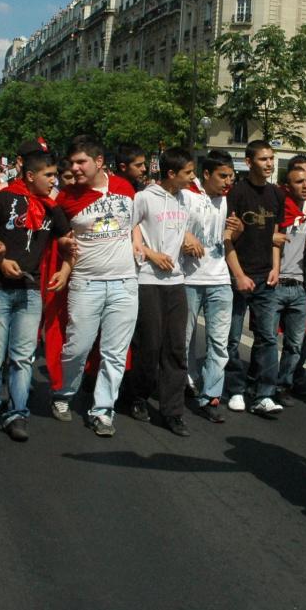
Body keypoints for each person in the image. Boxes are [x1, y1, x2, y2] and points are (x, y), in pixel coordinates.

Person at [0, 149, 70, 442]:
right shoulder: (4, 200)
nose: (54, 181)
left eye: (55, 176)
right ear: (30, 176)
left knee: (22, 357)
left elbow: (67, 244)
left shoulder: (53, 209)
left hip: (29, 290)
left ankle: (17, 411)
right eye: (48, 176)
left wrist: (65, 270)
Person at [53, 135, 139, 437]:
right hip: (86, 283)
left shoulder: (125, 188)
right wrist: (63, 242)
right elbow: (57, 236)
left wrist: (141, 246)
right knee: (78, 347)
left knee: (114, 352)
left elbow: (135, 225)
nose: (74, 168)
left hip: (125, 284)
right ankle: (64, 393)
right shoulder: (65, 198)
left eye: (81, 162)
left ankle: (103, 410)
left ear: (98, 162)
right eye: (72, 163)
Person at [125, 147, 197, 436]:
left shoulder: (186, 200)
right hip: (147, 280)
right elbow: (128, 232)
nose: (192, 178)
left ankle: (173, 411)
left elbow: (182, 232)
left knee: (176, 348)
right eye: (187, 173)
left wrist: (188, 240)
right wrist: (150, 254)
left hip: (175, 281)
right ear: (170, 173)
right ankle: (138, 396)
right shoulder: (144, 198)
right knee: (150, 345)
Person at [224, 140, 285, 417]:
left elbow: (275, 235)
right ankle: (235, 389)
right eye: (263, 159)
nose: (269, 164)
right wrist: (238, 275)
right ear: (249, 162)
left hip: (265, 277)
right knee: (232, 338)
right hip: (238, 277)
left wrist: (276, 267)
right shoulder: (236, 193)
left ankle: (264, 393)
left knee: (268, 338)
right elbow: (227, 241)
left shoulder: (276, 193)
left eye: (271, 158)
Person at [181, 151, 241, 423]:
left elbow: (227, 240)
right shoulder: (187, 197)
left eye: (231, 176)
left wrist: (237, 231)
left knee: (219, 342)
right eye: (222, 176)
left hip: (220, 280)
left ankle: (211, 396)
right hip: (189, 279)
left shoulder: (230, 200)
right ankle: (187, 381)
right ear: (206, 174)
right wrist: (185, 235)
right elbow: (169, 226)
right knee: (185, 339)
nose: (228, 181)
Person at [275, 162, 306, 404]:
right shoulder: (278, 207)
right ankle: (263, 385)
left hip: (301, 286)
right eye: (299, 181)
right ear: (287, 185)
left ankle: (283, 385)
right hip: (276, 283)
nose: (305, 185)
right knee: (268, 341)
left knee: (294, 344)